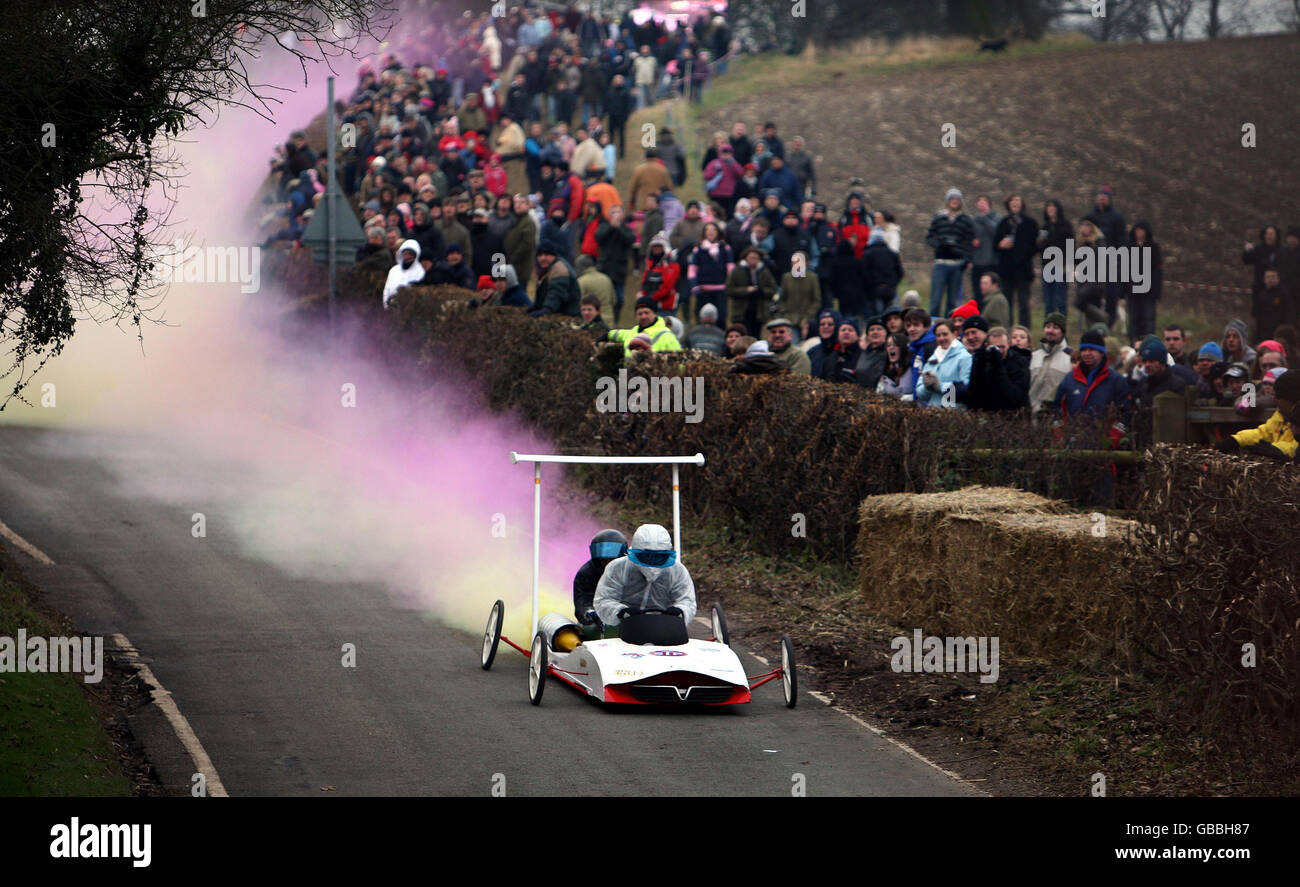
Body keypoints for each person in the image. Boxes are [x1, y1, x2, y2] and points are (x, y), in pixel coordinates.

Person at [592, 524, 697, 631]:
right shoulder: (618, 568)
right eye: (646, 557)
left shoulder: (677, 570)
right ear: (635, 553)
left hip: (666, 629)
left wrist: (680, 611)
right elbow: (603, 600)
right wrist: (621, 612)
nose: (652, 564)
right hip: (621, 629)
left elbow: (687, 601)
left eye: (659, 558)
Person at [1214, 369, 1300, 460]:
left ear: (1293, 398)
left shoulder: (1296, 420)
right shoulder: (1281, 414)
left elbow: (1295, 447)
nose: (1274, 400)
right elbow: (1264, 433)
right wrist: (1237, 440)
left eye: (1278, 396)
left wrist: (1274, 449)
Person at [925, 188, 975, 317]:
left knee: (953, 301)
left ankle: (950, 327)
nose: (954, 202)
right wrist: (939, 245)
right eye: (952, 199)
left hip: (957, 264)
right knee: (935, 299)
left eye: (957, 199)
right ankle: (933, 325)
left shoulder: (966, 220)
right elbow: (929, 237)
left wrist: (966, 258)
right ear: (947, 201)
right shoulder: (939, 218)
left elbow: (969, 242)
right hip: (941, 262)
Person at [994, 193, 1038, 328]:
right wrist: (1001, 244)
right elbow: (995, 244)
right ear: (1008, 204)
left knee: (1023, 303)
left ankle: (1025, 330)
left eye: (1018, 200)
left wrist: (1019, 246)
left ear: (1022, 204)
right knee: (1007, 304)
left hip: (1023, 269)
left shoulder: (1030, 223)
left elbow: (1035, 246)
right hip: (1007, 270)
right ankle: (1007, 330)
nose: (1015, 203)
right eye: (1012, 200)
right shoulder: (1003, 222)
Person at [572, 529, 627, 635]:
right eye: (603, 560)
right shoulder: (586, 573)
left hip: (629, 619)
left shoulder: (633, 570)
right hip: (597, 621)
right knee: (590, 629)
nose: (607, 564)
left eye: (612, 560)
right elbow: (582, 603)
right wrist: (590, 613)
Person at [915, 320, 972, 408]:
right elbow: (921, 396)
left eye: (945, 334)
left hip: (955, 417)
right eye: (938, 335)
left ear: (955, 334)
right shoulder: (932, 359)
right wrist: (928, 387)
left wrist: (940, 386)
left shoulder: (965, 358)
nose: (941, 338)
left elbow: (966, 391)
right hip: (932, 415)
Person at [727, 245, 777, 337]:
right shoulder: (737, 270)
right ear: (746, 258)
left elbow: (773, 289)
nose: (753, 260)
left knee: (755, 335)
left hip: (758, 311)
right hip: (741, 311)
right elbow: (729, 289)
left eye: (756, 258)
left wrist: (761, 291)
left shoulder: (764, 271)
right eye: (751, 258)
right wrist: (746, 290)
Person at [1029, 312, 1073, 414]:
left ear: (1063, 332)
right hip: (1029, 418)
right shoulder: (1033, 355)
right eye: (1048, 326)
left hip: (1056, 419)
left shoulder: (1071, 358)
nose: (1050, 330)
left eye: (1055, 327)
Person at [1125, 221, 1163, 340]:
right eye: (1137, 230)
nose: (1139, 233)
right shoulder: (1128, 247)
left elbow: (1158, 271)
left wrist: (1157, 292)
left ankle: (1149, 342)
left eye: (1142, 231)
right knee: (1133, 320)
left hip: (1149, 291)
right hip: (1132, 290)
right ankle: (1133, 343)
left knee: (1148, 319)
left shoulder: (1153, 248)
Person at [604, 297, 682, 354]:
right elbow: (618, 334)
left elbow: (679, 361)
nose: (643, 316)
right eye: (640, 314)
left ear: (655, 314)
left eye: (646, 312)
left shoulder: (667, 336)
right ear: (636, 316)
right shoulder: (633, 332)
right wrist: (606, 335)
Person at [1037, 199, 1073, 318]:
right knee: (1048, 300)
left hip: (1061, 265)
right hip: (1047, 265)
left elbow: (1070, 244)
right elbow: (1040, 247)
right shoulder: (1045, 227)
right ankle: (1049, 323)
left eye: (1053, 206)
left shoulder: (1065, 225)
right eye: (1048, 207)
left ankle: (1061, 323)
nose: (1051, 209)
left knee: (1060, 298)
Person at [529, 240, 582, 317]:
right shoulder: (547, 269)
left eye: (547, 255)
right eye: (540, 255)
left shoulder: (559, 269)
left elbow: (556, 292)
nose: (543, 258)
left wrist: (547, 309)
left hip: (569, 315)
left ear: (554, 256)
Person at [970, 194, 1001, 301]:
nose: (982, 204)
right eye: (980, 202)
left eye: (984, 202)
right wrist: (972, 241)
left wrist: (985, 218)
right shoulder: (973, 220)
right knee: (978, 293)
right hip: (977, 262)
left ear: (989, 204)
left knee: (992, 294)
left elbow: (996, 232)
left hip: (993, 262)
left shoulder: (997, 217)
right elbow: (968, 237)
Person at [382, 239, 426, 308]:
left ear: (416, 255)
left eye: (410, 254)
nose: (407, 256)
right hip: (392, 309)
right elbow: (387, 290)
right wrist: (386, 306)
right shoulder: (394, 270)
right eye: (405, 254)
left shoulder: (420, 270)